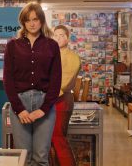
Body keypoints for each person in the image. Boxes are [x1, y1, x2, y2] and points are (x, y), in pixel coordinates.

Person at [3, 2, 62, 166]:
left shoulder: (52, 45)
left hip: (45, 104)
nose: (32, 23)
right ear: (23, 22)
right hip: (20, 104)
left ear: (41, 20)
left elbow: (56, 80)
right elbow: (8, 80)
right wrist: (19, 109)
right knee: (24, 157)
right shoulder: (12, 46)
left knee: (41, 157)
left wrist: (43, 109)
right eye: (28, 20)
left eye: (35, 19)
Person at [49, 25, 81, 166]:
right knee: (49, 140)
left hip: (61, 100)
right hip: (50, 100)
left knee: (58, 138)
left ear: (68, 38)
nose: (59, 38)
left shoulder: (73, 57)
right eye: (56, 35)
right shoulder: (51, 54)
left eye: (62, 35)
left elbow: (64, 83)